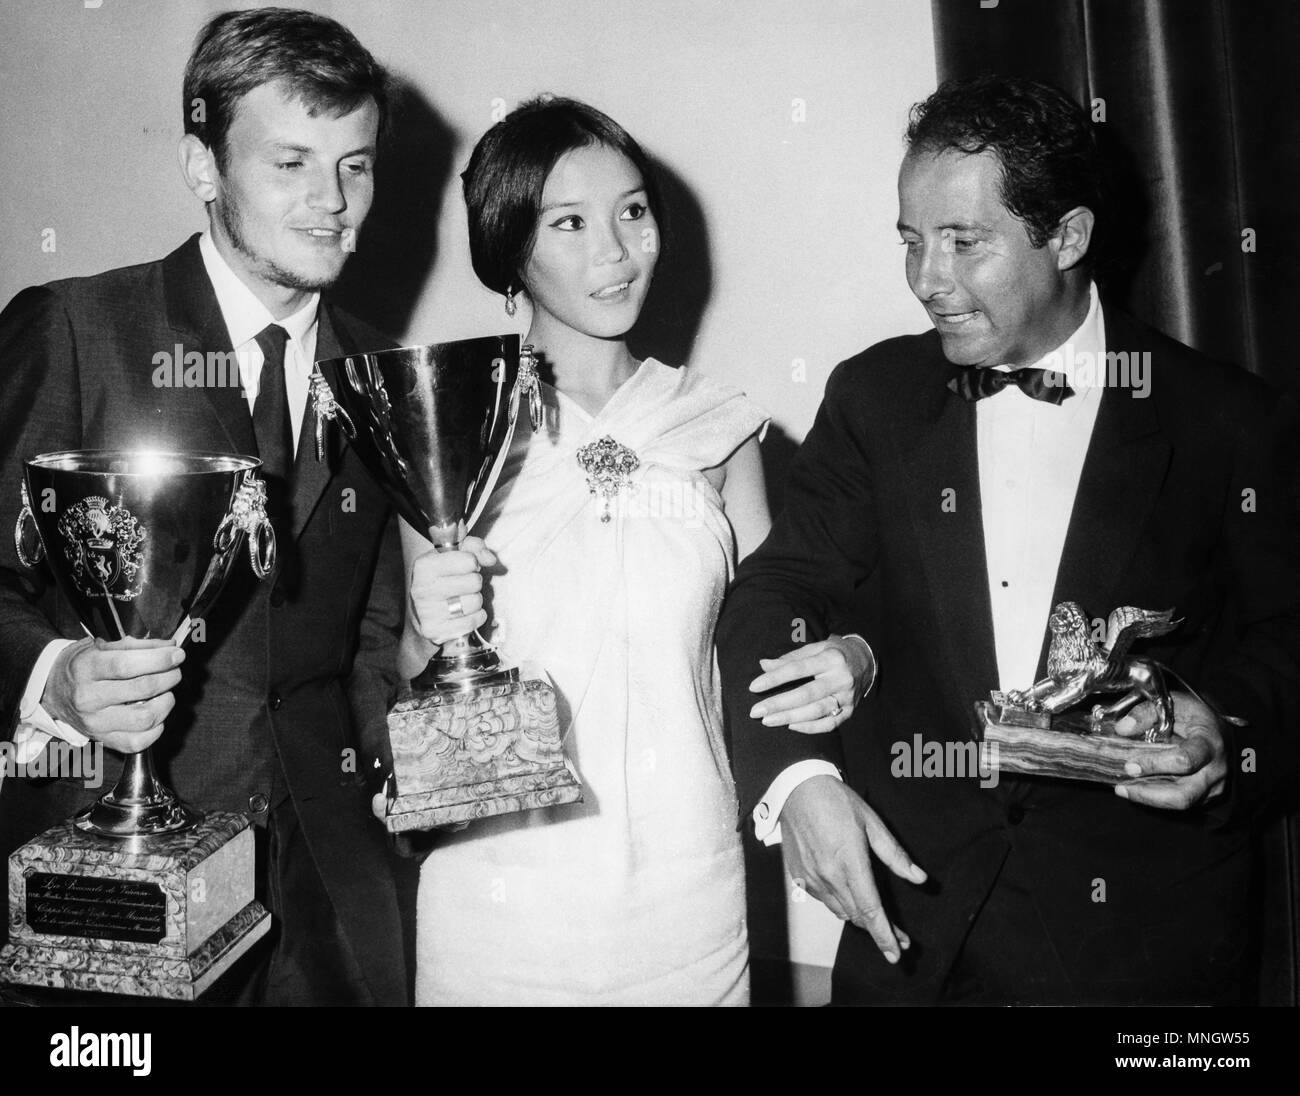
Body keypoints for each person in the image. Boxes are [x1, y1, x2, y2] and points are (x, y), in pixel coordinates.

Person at [716, 74, 1300, 1006]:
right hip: (916, 943)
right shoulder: (875, 399)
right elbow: (772, 596)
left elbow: (1286, 640)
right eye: (912, 241)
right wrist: (799, 784)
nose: (925, 279)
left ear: (1067, 236)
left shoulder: (1227, 419)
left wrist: (1221, 730)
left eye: (963, 242)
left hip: (1146, 967)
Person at [0, 8, 410, 1006]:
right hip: (117, 898)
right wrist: (57, 680)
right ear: (202, 166)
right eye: (292, 163)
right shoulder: (77, 329)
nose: (332, 202)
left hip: (330, 912)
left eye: (354, 165)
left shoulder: (380, 375)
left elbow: (368, 631)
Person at [403, 97, 770, 1005]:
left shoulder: (715, 427)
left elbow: (768, 651)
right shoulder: (449, 429)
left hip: (690, 894)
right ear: (509, 251)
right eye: (569, 223)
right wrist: (425, 627)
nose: (616, 250)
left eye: (633, 212)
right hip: (503, 900)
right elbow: (414, 680)